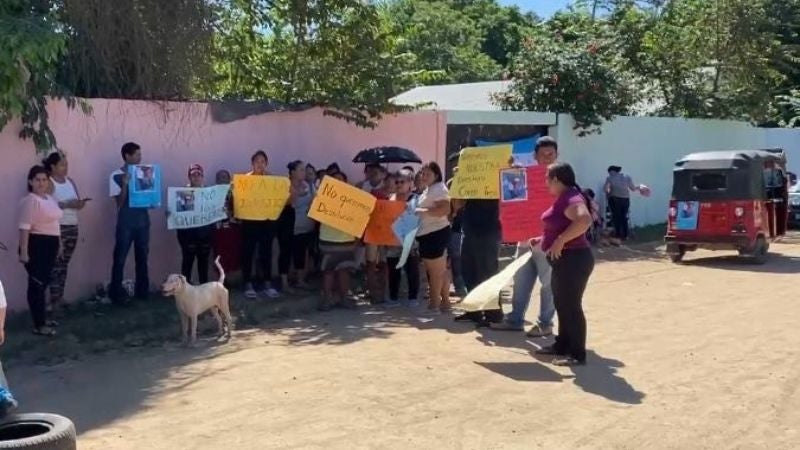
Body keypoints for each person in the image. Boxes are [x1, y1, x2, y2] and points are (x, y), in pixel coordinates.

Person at [491, 136, 558, 335]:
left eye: (551, 154)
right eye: (543, 154)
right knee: (520, 282)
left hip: (548, 242)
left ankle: (545, 324)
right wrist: (511, 171)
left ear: (557, 155)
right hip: (525, 239)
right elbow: (512, 198)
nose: (547, 158)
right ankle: (515, 320)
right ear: (535, 156)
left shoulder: (563, 179)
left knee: (548, 285)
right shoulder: (523, 176)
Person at [535, 162, 594, 366]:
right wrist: (542, 239)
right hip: (565, 260)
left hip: (574, 259)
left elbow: (584, 220)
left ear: (557, 179)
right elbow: (558, 224)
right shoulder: (564, 197)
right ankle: (562, 345)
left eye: (547, 178)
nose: (545, 183)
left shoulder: (572, 197)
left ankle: (577, 354)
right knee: (562, 304)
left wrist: (560, 240)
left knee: (571, 306)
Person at [19, 166, 63, 336]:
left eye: (44, 180)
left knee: (43, 283)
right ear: (31, 181)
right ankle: (39, 325)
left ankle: (42, 318)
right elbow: (24, 227)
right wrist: (24, 251)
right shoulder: (31, 200)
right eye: (37, 180)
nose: (41, 183)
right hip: (36, 245)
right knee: (36, 285)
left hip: (50, 245)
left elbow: (55, 225)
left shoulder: (49, 199)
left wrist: (58, 245)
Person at [44, 152, 88, 311]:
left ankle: (60, 297)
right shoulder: (49, 183)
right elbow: (46, 206)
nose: (65, 168)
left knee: (64, 264)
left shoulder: (70, 182)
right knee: (55, 264)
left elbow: (78, 202)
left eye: (66, 164)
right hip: (57, 227)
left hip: (72, 225)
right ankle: (53, 300)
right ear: (53, 166)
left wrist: (78, 203)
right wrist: (64, 204)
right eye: (62, 165)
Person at [109, 142, 151, 305]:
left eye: (140, 155)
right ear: (127, 156)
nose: (140, 158)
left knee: (142, 258)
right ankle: (116, 294)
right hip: (125, 222)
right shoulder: (115, 175)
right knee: (119, 258)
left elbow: (149, 197)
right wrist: (125, 183)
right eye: (137, 155)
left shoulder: (145, 173)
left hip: (143, 222)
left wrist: (153, 199)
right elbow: (119, 203)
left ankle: (143, 292)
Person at [240, 150, 280, 299]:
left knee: (266, 253)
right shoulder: (244, 180)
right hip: (249, 222)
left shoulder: (271, 180)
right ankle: (248, 283)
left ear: (266, 163)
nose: (260, 164)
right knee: (248, 253)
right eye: (257, 161)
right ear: (252, 163)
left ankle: (267, 284)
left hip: (267, 223)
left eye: (263, 161)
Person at [318, 172, 359, 311]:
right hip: (328, 240)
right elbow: (313, 214)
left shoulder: (353, 199)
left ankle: (344, 299)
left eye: (341, 179)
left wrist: (356, 239)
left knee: (344, 271)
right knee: (328, 272)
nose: (338, 182)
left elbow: (359, 219)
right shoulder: (323, 196)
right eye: (335, 180)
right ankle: (326, 300)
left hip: (347, 240)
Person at [415, 162, 452, 315]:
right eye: (423, 173)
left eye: (427, 174)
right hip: (428, 233)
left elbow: (445, 209)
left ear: (436, 175)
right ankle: (445, 302)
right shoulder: (430, 190)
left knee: (435, 272)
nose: (424, 176)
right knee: (439, 270)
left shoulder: (439, 189)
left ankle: (434, 304)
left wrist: (421, 211)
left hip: (435, 233)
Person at [385, 169, 420, 308]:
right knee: (393, 271)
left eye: (402, 181)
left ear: (410, 183)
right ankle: (393, 298)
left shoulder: (416, 199)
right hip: (392, 241)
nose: (399, 184)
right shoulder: (390, 199)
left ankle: (413, 298)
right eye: (397, 182)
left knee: (412, 269)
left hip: (411, 241)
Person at [176, 164, 214, 284]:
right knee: (187, 263)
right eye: (193, 175)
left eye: (198, 174)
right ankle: (183, 289)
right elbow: (177, 213)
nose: (196, 177)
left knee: (203, 264)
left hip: (205, 235)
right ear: (189, 177)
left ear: (202, 176)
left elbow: (214, 211)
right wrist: (171, 214)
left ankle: (204, 290)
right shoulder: (183, 193)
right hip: (187, 236)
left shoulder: (209, 193)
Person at [289, 160, 315, 290]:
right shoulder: (288, 186)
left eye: (304, 170)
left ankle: (302, 279)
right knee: (296, 252)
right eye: (300, 170)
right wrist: (297, 193)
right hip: (294, 226)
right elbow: (290, 204)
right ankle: (294, 279)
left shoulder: (308, 185)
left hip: (308, 225)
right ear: (293, 172)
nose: (303, 173)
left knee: (306, 253)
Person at [212, 169, 241, 278]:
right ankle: (222, 279)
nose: (222, 179)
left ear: (229, 179)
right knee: (219, 255)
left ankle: (233, 278)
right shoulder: (211, 193)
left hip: (233, 228)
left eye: (225, 177)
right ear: (216, 180)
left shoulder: (236, 192)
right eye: (220, 177)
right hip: (219, 230)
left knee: (233, 253)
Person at [604, 165, 642, 242]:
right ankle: (625, 234)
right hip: (626, 200)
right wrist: (640, 187)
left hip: (615, 199)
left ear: (612, 171)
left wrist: (608, 193)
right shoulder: (627, 177)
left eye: (609, 172)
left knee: (616, 217)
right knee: (624, 217)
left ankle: (617, 234)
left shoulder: (610, 178)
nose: (609, 174)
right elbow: (633, 188)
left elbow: (605, 189)